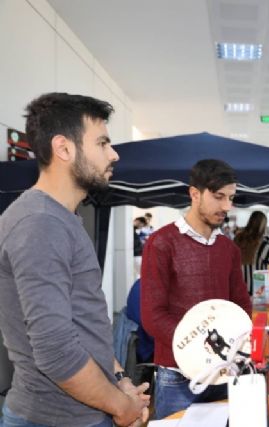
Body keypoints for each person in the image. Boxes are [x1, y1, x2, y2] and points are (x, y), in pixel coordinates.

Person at [0, 93, 149, 426]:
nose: (114, 154)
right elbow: (56, 350)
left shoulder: (60, 218)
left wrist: (120, 381)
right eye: (102, 143)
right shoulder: (40, 223)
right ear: (64, 149)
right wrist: (122, 407)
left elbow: (82, 324)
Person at [140, 159, 252, 420]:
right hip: (178, 377)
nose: (226, 206)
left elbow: (241, 305)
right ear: (194, 194)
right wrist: (200, 350)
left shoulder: (229, 249)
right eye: (219, 197)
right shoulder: (161, 243)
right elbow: (153, 315)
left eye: (231, 198)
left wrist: (231, 349)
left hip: (224, 372)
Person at [234, 211, 269, 295]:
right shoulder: (264, 244)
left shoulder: (237, 240)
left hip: (240, 287)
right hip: (259, 287)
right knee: (258, 303)